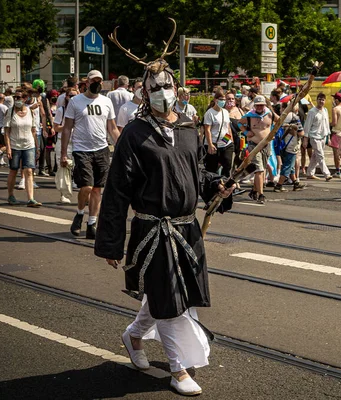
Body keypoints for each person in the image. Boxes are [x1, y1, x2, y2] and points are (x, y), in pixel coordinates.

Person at [94, 48, 235, 396]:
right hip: (152, 231)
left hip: (187, 230)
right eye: (154, 87)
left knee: (174, 297)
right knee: (169, 298)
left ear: (176, 86)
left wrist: (217, 185)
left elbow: (197, 172)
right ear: (144, 92)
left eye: (166, 85)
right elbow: (116, 191)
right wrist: (111, 242)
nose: (161, 92)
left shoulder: (188, 127)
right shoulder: (134, 133)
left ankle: (134, 335)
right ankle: (179, 370)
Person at [61, 70, 120, 239]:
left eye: (100, 81)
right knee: (86, 186)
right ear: (86, 82)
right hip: (81, 150)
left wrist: (122, 146)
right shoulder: (75, 101)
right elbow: (67, 128)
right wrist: (64, 153)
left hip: (101, 149)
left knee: (97, 189)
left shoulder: (106, 101)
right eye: (94, 80)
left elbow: (113, 128)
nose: (97, 83)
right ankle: (80, 213)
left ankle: (92, 223)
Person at [4, 91, 42, 207]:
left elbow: (34, 131)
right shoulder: (10, 112)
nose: (17, 99)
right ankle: (11, 195)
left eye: (19, 97)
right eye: (15, 97)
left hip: (29, 145)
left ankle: (31, 198)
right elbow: (6, 132)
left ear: (25, 98)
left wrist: (37, 147)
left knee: (29, 171)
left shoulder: (30, 111)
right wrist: (8, 148)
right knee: (14, 170)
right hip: (15, 145)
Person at [243, 95, 277, 203]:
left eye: (261, 105)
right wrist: (246, 132)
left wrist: (274, 132)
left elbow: (280, 120)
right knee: (259, 169)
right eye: (257, 105)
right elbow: (239, 123)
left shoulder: (270, 114)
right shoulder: (249, 115)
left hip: (266, 145)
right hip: (253, 145)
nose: (259, 107)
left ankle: (254, 189)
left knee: (263, 169)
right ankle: (261, 194)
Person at [53, 88, 77, 204]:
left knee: (77, 167)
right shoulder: (61, 110)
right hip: (63, 142)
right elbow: (56, 127)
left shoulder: (79, 109)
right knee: (63, 167)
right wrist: (68, 126)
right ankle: (63, 194)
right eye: (70, 96)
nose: (72, 98)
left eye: (74, 96)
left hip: (77, 143)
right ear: (66, 97)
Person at [304, 92, 333, 181]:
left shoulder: (325, 110)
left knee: (315, 156)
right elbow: (307, 126)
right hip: (314, 137)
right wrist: (305, 139)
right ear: (316, 100)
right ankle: (327, 174)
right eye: (319, 99)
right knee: (320, 155)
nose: (321, 101)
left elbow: (326, 124)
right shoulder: (312, 112)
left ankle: (309, 173)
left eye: (323, 100)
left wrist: (328, 137)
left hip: (323, 137)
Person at [274, 120, 306, 192]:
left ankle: (295, 183)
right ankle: (278, 186)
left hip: (284, 146)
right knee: (287, 167)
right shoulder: (295, 120)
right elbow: (301, 133)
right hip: (291, 147)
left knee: (290, 167)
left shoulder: (283, 119)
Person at [330, 92, 341, 178]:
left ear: (336, 100)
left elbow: (334, 123)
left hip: (336, 132)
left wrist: (328, 123)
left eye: (334, 99)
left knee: (336, 153)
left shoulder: (335, 109)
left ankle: (337, 171)